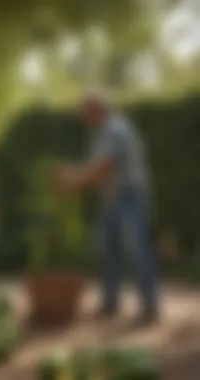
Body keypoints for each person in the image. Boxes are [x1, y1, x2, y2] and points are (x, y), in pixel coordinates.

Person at [52, 91, 158, 325]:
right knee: (108, 250)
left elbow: (103, 167)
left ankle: (150, 307)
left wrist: (72, 179)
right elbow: (96, 169)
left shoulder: (115, 129)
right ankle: (111, 303)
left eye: (84, 112)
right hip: (111, 198)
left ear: (96, 109)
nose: (81, 117)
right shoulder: (99, 133)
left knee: (137, 248)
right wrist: (76, 177)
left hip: (129, 196)